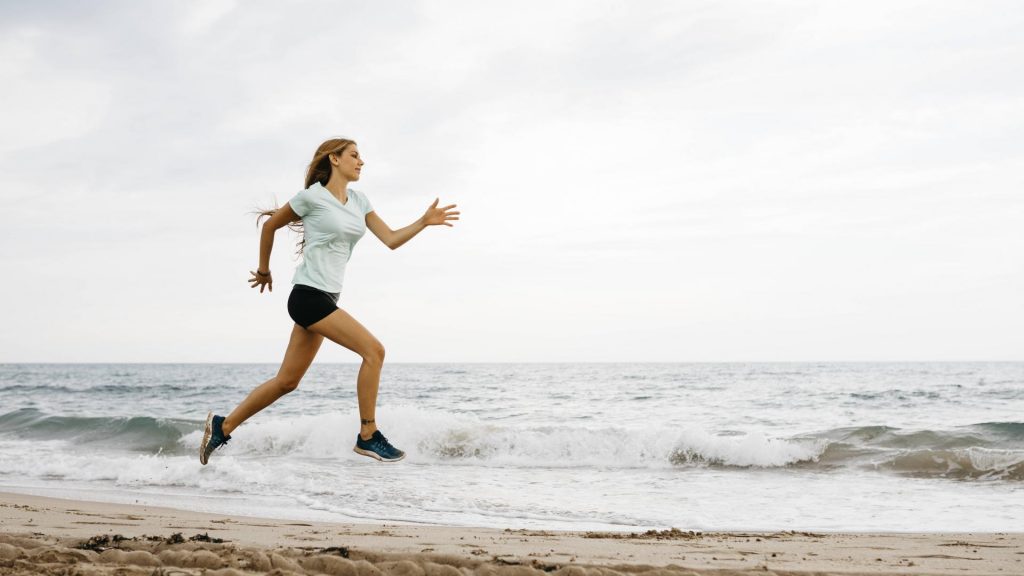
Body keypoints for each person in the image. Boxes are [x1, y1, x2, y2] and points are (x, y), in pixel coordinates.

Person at [200, 137, 459, 465]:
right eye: (354, 155)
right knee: (374, 351)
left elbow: (391, 239)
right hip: (307, 296)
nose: (360, 161)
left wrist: (423, 222)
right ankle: (368, 435)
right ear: (333, 160)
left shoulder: (360, 201)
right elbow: (270, 227)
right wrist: (264, 270)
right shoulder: (312, 197)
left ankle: (224, 425)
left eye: (361, 157)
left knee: (287, 382)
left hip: (326, 297)